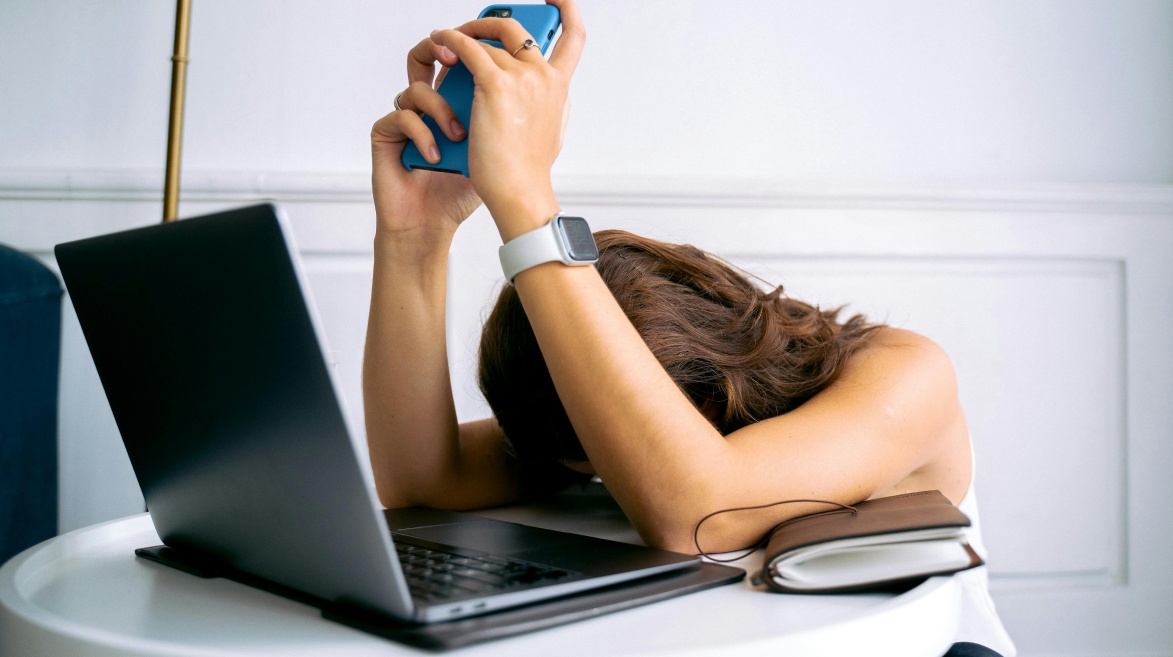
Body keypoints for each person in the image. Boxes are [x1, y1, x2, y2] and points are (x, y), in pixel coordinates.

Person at [363, 2, 1014, 655]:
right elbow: (425, 483)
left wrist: (526, 195)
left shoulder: (906, 371)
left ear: (709, 398)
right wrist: (416, 235)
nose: (593, 466)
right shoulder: (604, 425)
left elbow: (699, 514)